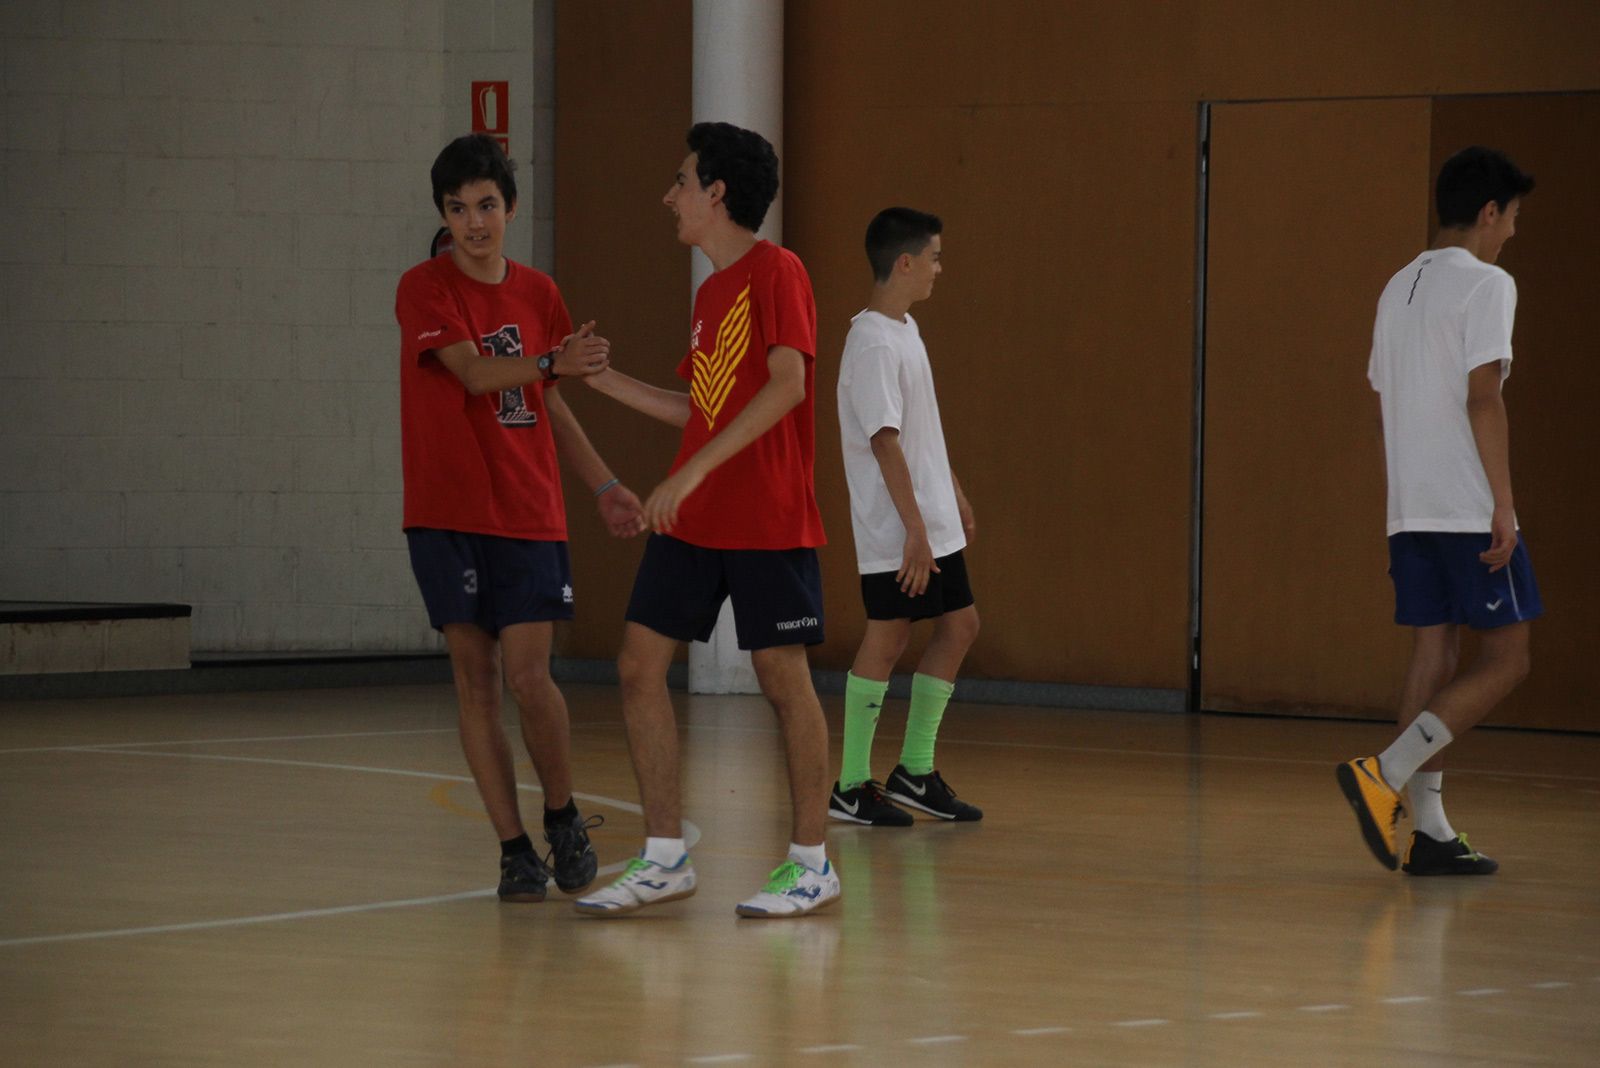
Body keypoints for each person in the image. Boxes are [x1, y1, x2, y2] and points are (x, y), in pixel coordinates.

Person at [572, 121, 839, 918]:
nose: (670, 195)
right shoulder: (710, 293)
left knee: (780, 678)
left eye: (681, 180)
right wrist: (606, 380)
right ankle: (663, 859)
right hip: (698, 520)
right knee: (637, 665)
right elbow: (704, 407)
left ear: (717, 193)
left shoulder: (777, 271)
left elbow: (787, 385)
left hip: (767, 518)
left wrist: (686, 472)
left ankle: (812, 863)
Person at [395, 133, 647, 903]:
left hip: (531, 509)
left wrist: (605, 484)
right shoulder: (423, 287)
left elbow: (552, 402)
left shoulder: (540, 295)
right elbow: (474, 372)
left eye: (487, 206)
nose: (474, 222)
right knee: (475, 680)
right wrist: (548, 364)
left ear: (510, 208)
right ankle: (512, 850)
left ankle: (562, 815)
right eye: (458, 208)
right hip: (448, 511)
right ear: (444, 214)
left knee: (530, 676)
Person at [1338, 146, 1540, 876]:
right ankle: (1384, 775)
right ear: (1489, 212)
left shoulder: (1396, 287)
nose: (1511, 234)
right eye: (1512, 219)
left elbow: (1385, 395)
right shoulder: (1488, 284)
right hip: (1464, 504)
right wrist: (1504, 503)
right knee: (1509, 658)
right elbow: (1484, 395)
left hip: (1410, 507)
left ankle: (1427, 832)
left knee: (1434, 651)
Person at [830, 207, 982, 827]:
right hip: (897, 529)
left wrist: (954, 491)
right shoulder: (868, 342)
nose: (941, 268)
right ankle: (849, 784)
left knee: (961, 625)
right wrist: (915, 532)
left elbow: (920, 431)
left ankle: (915, 772)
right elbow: (884, 442)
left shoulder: (906, 330)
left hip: (929, 519)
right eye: (936, 257)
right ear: (905, 262)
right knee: (888, 638)